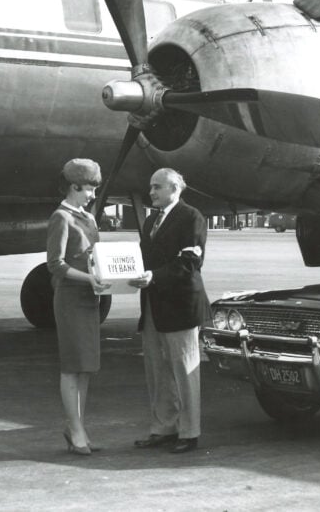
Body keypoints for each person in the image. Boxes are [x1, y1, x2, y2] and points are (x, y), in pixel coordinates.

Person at [128, 168, 208, 454]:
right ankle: (163, 428)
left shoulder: (192, 217)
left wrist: (153, 277)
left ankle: (189, 432)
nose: (151, 192)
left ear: (174, 188)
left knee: (184, 370)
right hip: (152, 304)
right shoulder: (151, 219)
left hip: (180, 304)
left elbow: (189, 263)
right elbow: (141, 257)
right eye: (151, 187)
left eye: (157, 187)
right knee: (157, 370)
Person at [46, 158, 109, 456]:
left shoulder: (88, 217)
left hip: (88, 298)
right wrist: (90, 278)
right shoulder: (62, 217)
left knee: (85, 367)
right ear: (73, 187)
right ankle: (75, 429)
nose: (92, 195)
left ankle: (77, 426)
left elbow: (94, 256)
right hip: (71, 297)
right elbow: (55, 264)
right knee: (72, 367)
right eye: (88, 190)